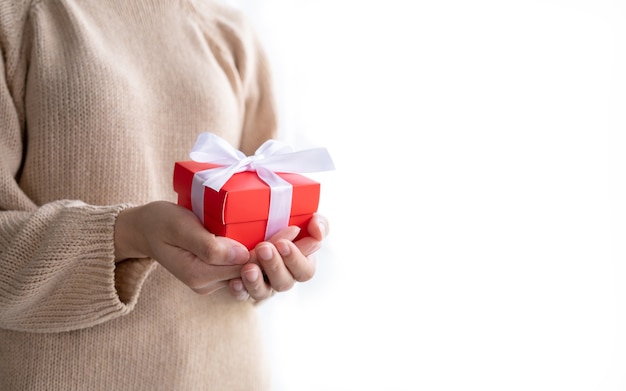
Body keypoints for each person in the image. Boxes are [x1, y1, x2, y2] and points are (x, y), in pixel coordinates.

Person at [0, 0, 329, 389]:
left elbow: (266, 203)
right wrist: (129, 234)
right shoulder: (19, 19)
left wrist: (269, 269)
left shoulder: (230, 33)